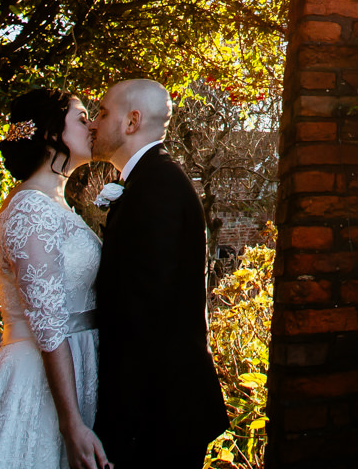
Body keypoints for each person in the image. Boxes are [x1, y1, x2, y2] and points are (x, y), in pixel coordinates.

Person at [0, 89, 111, 469]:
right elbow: (48, 325)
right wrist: (71, 424)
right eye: (82, 119)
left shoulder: (54, 203)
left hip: (75, 367)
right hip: (37, 380)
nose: (92, 127)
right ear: (50, 134)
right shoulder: (31, 208)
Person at [90, 78, 231, 465]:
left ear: (131, 121)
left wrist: (123, 425)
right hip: (156, 411)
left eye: (102, 112)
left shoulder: (158, 187)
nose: (94, 123)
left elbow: (144, 312)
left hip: (159, 417)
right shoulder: (148, 179)